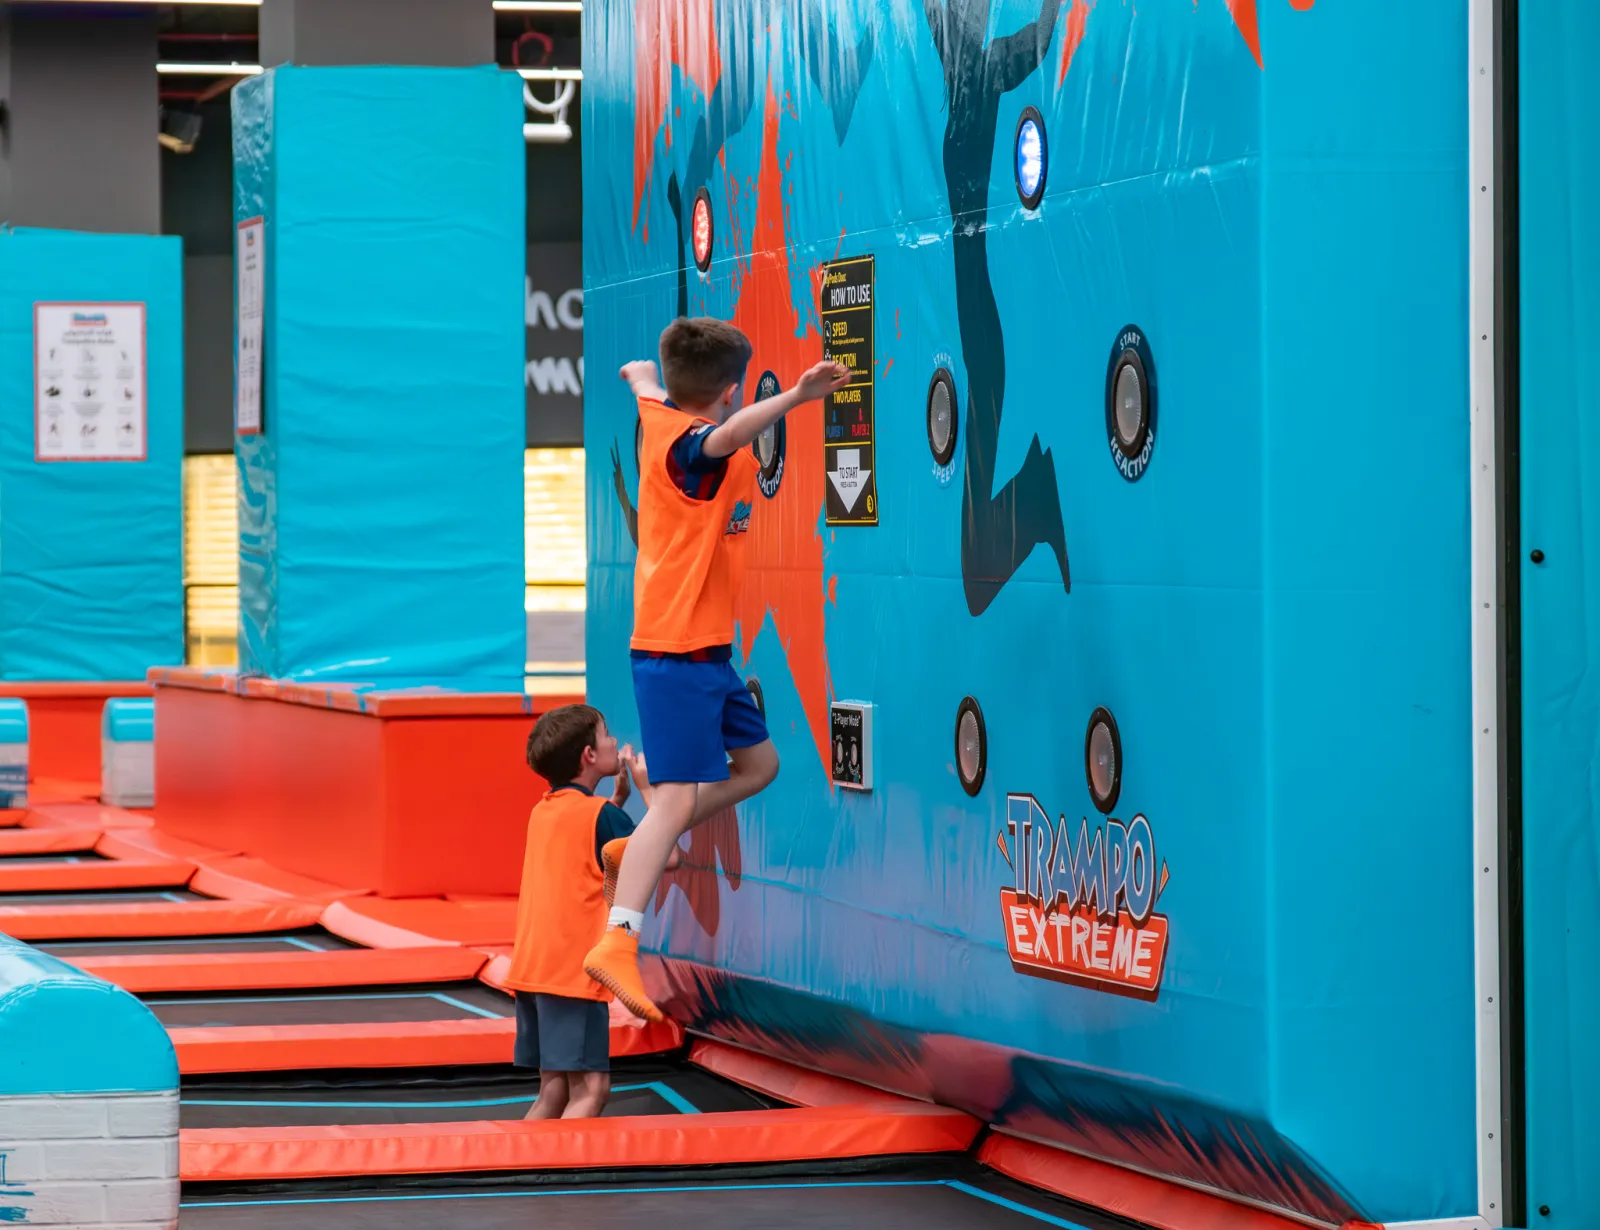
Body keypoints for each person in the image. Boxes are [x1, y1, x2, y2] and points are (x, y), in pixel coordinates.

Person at [582, 317, 850, 1022]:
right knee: (671, 801)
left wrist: (639, 376)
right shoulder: (690, 451)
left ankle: (638, 844)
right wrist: (796, 395)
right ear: (731, 392)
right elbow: (723, 438)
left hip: (706, 653)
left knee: (760, 767)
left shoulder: (657, 413)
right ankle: (619, 939)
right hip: (674, 654)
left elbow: (644, 389)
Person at [506, 703, 645, 1120]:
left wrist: (619, 798)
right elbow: (666, 856)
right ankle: (556, 1184)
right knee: (591, 1088)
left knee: (553, 1089)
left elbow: (590, 841)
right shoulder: (600, 816)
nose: (614, 743)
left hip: (533, 971)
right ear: (588, 755)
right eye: (606, 736)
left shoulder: (543, 809)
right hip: (571, 974)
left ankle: (522, 1175)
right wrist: (650, 791)